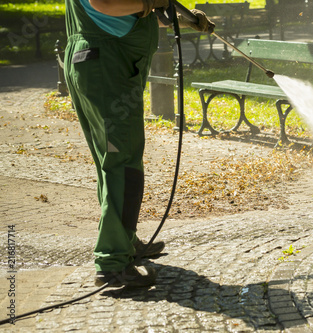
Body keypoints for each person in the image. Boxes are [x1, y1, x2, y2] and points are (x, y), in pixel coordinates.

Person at [64, 0, 214, 287]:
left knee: (117, 161)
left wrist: (181, 19)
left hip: (100, 64)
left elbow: (127, 12)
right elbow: (105, 4)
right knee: (122, 166)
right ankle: (112, 262)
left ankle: (125, 240)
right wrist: (151, 3)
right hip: (106, 67)